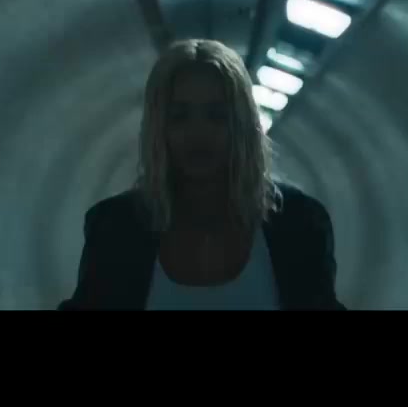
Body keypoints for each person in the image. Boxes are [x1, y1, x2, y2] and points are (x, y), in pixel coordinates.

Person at [58, 38, 346, 310]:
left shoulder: (297, 223)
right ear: (159, 127)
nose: (198, 133)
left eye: (217, 115)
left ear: (241, 125)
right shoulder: (117, 228)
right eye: (179, 116)